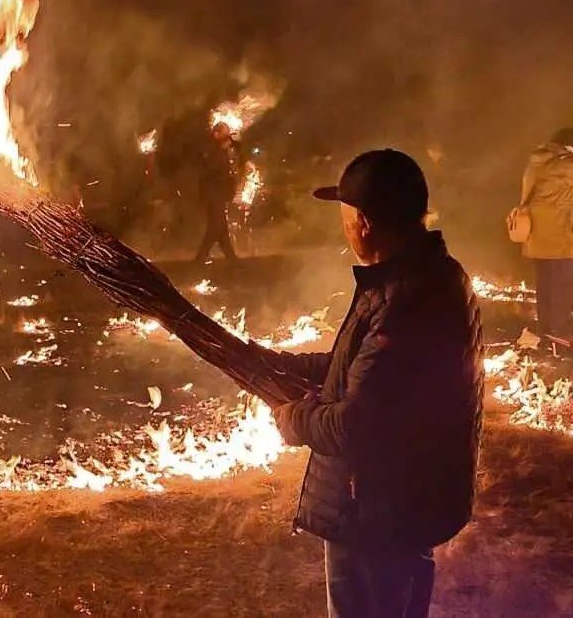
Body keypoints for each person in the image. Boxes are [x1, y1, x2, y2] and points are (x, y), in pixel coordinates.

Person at [252, 150, 482, 616]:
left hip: (376, 514)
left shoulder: (406, 302)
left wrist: (293, 420)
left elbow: (355, 425)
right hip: (403, 503)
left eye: (345, 215)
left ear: (364, 221)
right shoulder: (423, 277)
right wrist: (279, 365)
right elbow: (360, 368)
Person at [515, 128, 573, 343]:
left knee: (546, 284)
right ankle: (558, 331)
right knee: (562, 285)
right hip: (559, 237)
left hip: (537, 236)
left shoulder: (537, 162)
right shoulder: (565, 165)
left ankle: (547, 328)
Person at [193, 122, 239, 263]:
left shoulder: (218, 149)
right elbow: (211, 170)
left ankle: (231, 259)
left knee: (221, 228)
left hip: (217, 193)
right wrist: (221, 151)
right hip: (213, 194)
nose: (228, 139)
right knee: (215, 228)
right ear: (216, 134)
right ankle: (200, 258)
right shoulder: (211, 149)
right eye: (225, 134)